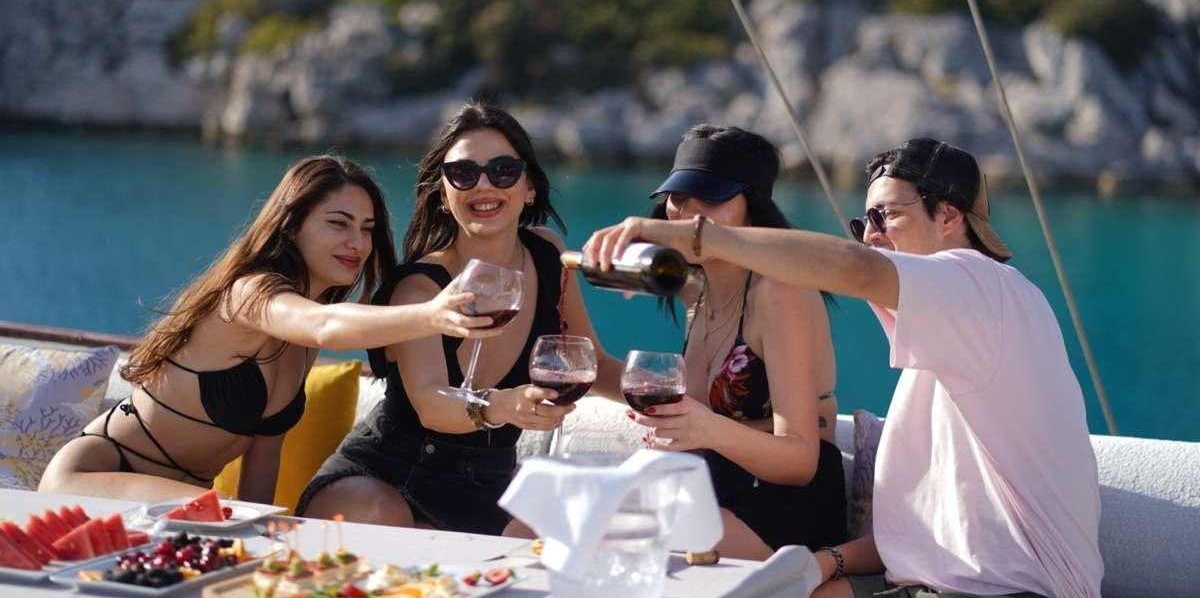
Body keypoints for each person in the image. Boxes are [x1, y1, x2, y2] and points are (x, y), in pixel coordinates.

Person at [584, 138, 1103, 598]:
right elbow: (930, 528)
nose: (871, 237)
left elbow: (855, 269)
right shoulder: (952, 350)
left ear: (948, 216)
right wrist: (825, 562)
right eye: (863, 223)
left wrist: (695, 237)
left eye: (886, 217)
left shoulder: (981, 287)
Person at [39, 155, 498, 503]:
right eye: (338, 224)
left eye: (367, 228)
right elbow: (324, 327)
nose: (357, 244)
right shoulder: (249, 295)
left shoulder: (303, 331)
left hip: (193, 503)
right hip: (90, 478)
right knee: (216, 515)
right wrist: (431, 314)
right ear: (292, 226)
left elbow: (263, 458)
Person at [297, 102, 625, 534]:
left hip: (487, 488)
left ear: (529, 187)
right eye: (464, 174)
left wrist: (678, 404)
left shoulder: (548, 256)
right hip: (386, 479)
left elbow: (590, 364)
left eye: (503, 170)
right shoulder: (419, 287)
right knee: (389, 522)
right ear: (443, 194)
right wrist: (504, 406)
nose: (484, 185)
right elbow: (433, 403)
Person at [634, 125, 846, 560]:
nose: (690, 215)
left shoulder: (780, 292)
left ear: (755, 206)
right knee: (554, 531)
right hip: (714, 482)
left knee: (635, 556)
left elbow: (800, 461)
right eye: (679, 198)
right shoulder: (698, 288)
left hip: (785, 502)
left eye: (711, 198)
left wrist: (703, 427)